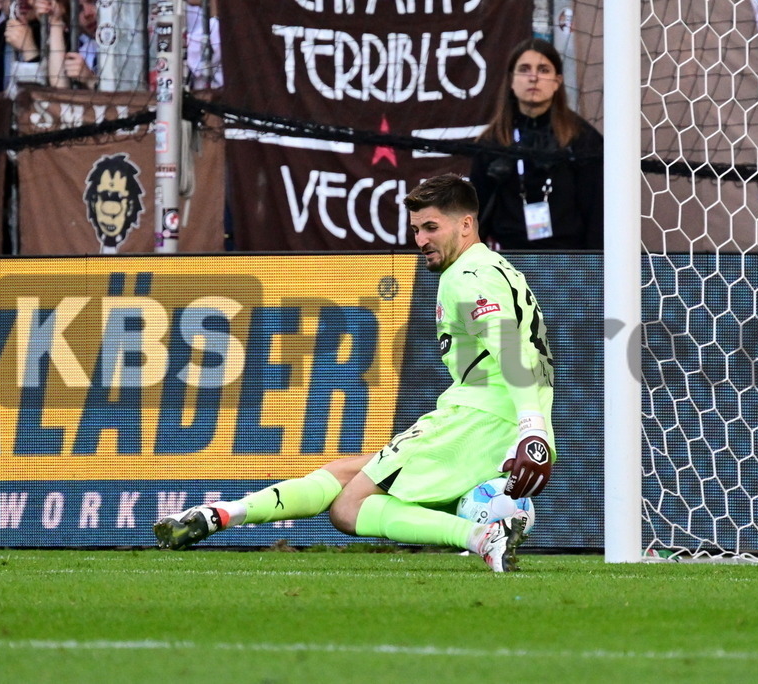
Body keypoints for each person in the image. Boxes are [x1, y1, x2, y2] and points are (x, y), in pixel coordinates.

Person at [155, 174, 556, 572]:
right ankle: (222, 514)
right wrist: (531, 423)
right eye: (416, 230)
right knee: (344, 472)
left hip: (479, 421)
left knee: (349, 506)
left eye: (431, 227)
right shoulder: (495, 268)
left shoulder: (467, 277)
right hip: (501, 419)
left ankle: (483, 537)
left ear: (466, 224)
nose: (420, 241)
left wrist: (531, 427)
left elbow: (508, 345)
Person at [471, 38, 603, 250]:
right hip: (509, 261)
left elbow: (598, 214)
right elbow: (475, 216)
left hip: (573, 263)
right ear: (511, 80)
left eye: (543, 70)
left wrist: (593, 269)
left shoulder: (583, 139)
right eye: (524, 69)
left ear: (557, 81)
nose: (533, 77)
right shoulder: (491, 142)